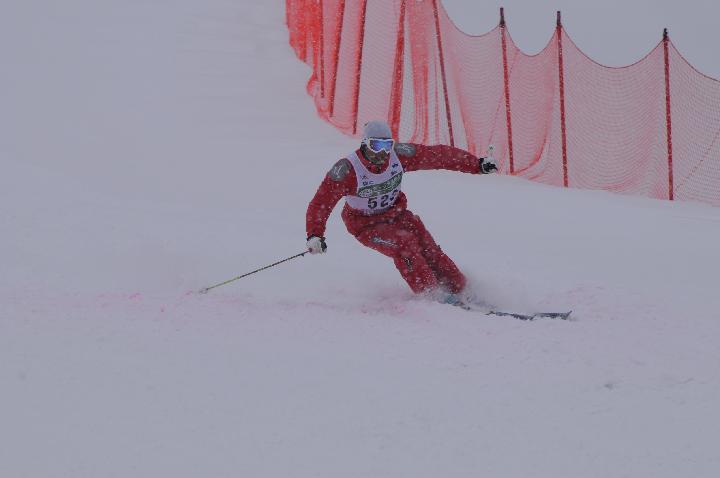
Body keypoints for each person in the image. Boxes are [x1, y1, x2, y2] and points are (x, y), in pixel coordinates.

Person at [305, 120, 497, 305]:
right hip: (365, 226)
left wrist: (476, 164)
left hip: (396, 215)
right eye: (376, 146)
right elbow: (321, 203)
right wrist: (315, 235)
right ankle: (430, 294)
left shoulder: (399, 155)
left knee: (427, 246)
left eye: (387, 145)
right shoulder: (347, 170)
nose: (382, 152)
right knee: (404, 245)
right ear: (365, 144)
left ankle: (460, 288)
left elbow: (438, 155)